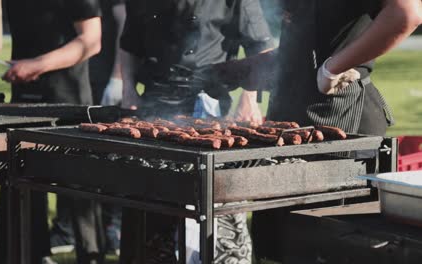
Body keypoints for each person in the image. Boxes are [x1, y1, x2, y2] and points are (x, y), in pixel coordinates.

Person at [250, 0, 422, 261]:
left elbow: (406, 13)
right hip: (288, 122)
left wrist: (335, 67)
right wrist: (253, 68)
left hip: (340, 123)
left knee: (327, 248)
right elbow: (318, 41)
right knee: (281, 249)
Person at [118, 0, 275, 263]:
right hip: (154, 110)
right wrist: (128, 90)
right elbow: (128, 45)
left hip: (210, 111)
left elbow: (261, 47)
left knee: (215, 199)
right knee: (152, 197)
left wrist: (249, 97)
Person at [0, 1, 105, 264]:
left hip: (69, 104)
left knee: (82, 196)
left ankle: (91, 257)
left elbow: (92, 39)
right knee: (20, 190)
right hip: (24, 102)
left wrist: (38, 64)